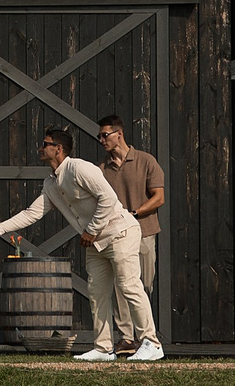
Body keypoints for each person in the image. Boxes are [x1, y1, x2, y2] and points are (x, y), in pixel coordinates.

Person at [0, 125, 160, 362]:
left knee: (129, 287)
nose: (40, 148)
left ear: (59, 149)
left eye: (45, 144)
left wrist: (91, 231)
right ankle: (104, 349)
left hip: (120, 232)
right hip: (95, 243)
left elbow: (108, 198)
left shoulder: (79, 168)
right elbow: (32, 213)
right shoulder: (51, 184)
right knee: (97, 294)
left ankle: (152, 344)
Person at [97, 115, 165, 323]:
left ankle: (144, 334)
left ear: (119, 134)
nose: (101, 140)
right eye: (99, 136)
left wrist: (133, 214)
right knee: (121, 286)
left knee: (144, 284)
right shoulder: (101, 169)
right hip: (117, 236)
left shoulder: (146, 161)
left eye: (105, 135)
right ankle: (126, 337)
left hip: (144, 231)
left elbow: (159, 198)